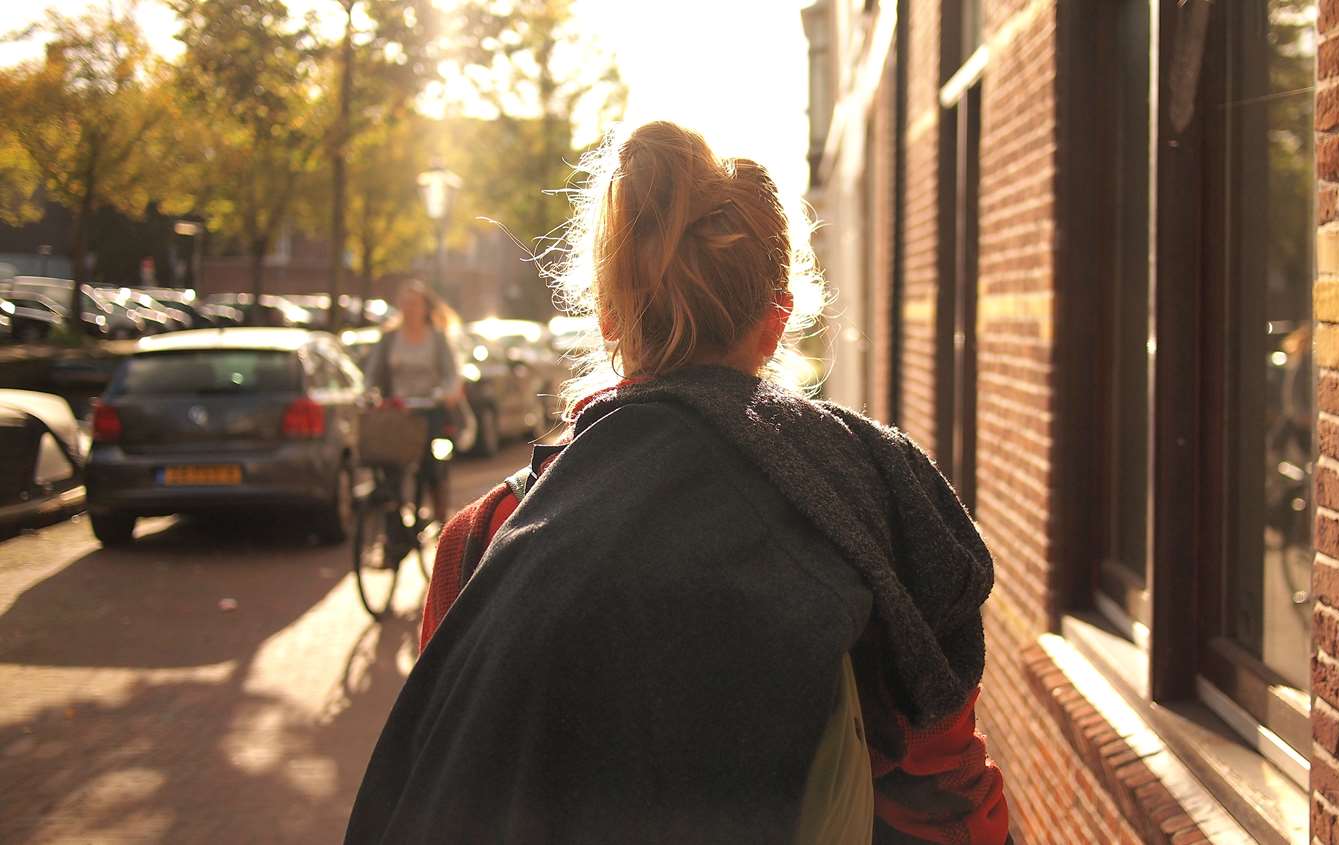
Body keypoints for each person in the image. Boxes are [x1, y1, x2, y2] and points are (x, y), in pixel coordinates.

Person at [346, 121, 1009, 844]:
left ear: (607, 316)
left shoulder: (483, 539)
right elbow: (950, 792)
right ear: (777, 319)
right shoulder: (870, 489)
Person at [361, 280, 464, 523]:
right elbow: (372, 374)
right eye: (406, 303)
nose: (410, 309)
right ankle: (394, 516)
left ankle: (440, 515)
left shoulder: (437, 339)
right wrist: (369, 395)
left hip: (429, 410)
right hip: (397, 412)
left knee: (431, 463)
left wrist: (445, 393)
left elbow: (452, 375)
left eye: (415, 304)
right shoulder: (389, 339)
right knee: (389, 464)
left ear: (425, 308)